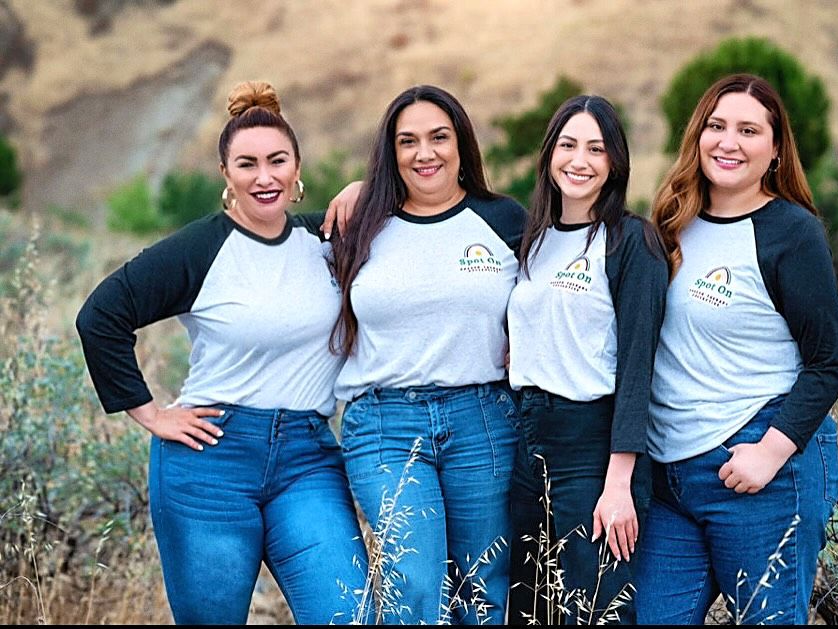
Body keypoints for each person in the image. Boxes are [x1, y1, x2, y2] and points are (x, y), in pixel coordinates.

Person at [75, 81, 367, 625]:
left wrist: (362, 187)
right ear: (226, 175)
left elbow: (415, 208)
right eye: (247, 164)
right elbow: (101, 316)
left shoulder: (324, 239)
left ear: (298, 167)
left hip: (308, 458)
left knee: (347, 613)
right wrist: (152, 414)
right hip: (211, 460)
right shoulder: (202, 247)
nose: (264, 177)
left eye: (277, 161)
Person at [630, 74, 838, 625]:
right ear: (697, 136)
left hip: (755, 468)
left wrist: (771, 453)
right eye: (716, 126)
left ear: (775, 150)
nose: (729, 142)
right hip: (667, 479)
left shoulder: (790, 232)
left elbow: (832, 356)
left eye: (749, 131)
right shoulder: (671, 221)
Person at [330, 84, 526, 625]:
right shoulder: (360, 224)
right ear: (390, 153)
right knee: (414, 585)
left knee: (483, 585)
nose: (425, 153)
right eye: (407, 141)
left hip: (482, 419)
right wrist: (359, 190)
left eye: (439, 137)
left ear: (461, 143)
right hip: (383, 423)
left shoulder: (505, 220)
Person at [505, 95, 668, 625]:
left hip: (593, 450)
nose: (580, 160)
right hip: (524, 443)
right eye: (568, 145)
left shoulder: (630, 241)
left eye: (596, 149)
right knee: (529, 609)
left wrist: (619, 482)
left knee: (594, 611)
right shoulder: (530, 240)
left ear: (615, 163)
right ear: (549, 154)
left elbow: (638, 366)